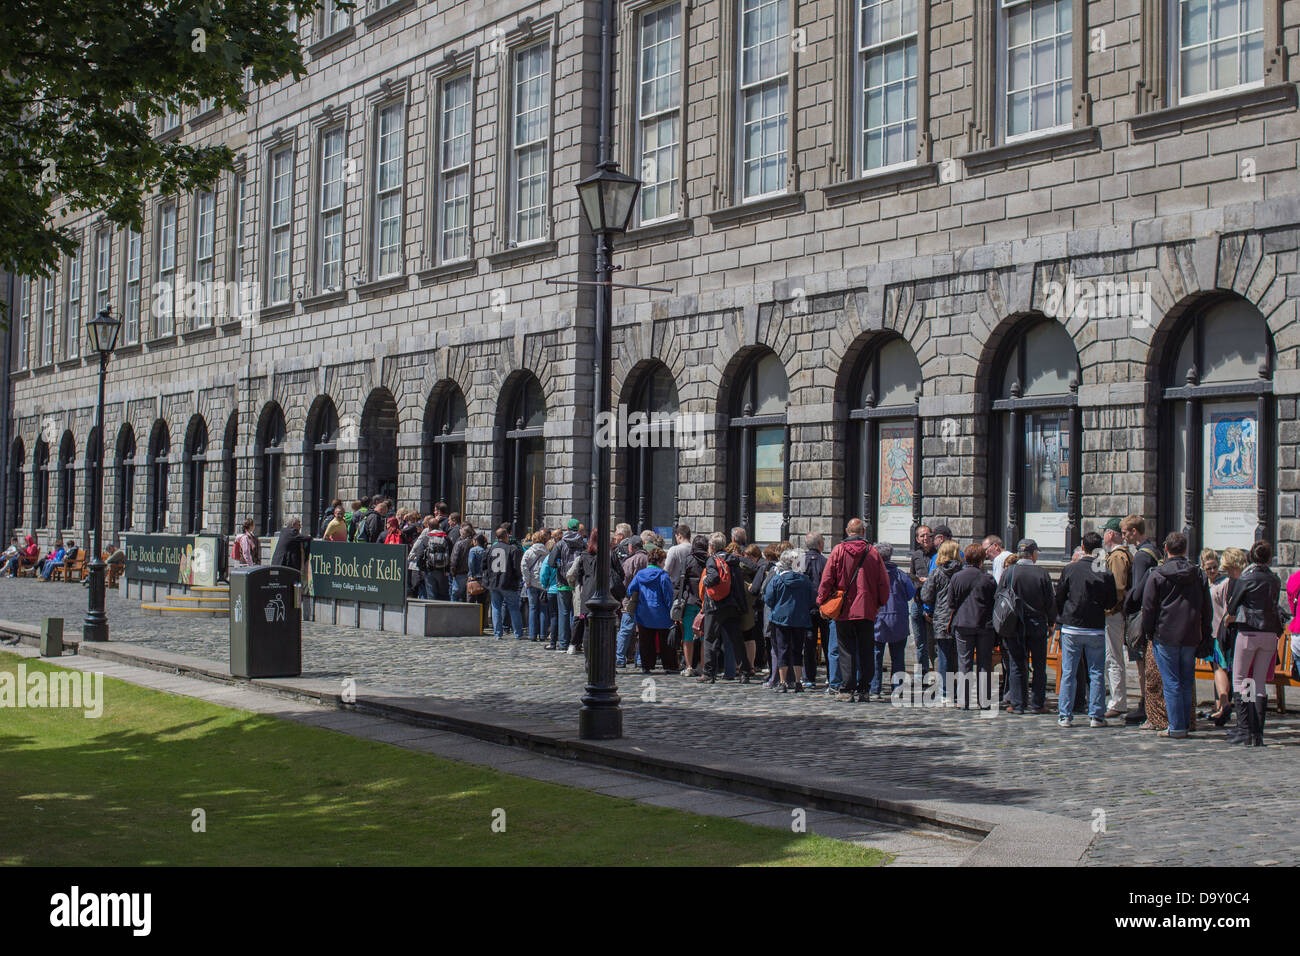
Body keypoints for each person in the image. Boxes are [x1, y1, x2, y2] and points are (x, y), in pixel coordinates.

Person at [1141, 532, 1211, 739]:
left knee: (1171, 681)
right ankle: (1184, 723)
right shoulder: (1198, 574)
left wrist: (1148, 631)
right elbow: (1207, 608)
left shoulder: (1158, 574)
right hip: (1189, 633)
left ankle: (1177, 726)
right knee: (1186, 680)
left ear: (1166, 550)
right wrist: (1205, 631)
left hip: (1165, 633)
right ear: (1185, 550)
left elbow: (1149, 607)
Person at [816, 518, 890, 703]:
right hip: (866, 608)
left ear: (848, 531)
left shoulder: (839, 551)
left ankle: (847, 688)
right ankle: (864, 688)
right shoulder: (872, 552)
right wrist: (881, 601)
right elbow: (883, 581)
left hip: (844, 608)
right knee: (866, 649)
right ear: (863, 532)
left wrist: (821, 601)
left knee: (846, 649)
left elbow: (827, 578)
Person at [1054, 532, 1117, 728]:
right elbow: (1111, 602)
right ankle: (1096, 715)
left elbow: (1059, 596)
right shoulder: (1105, 572)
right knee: (1096, 672)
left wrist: (1060, 618)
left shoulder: (1071, 569)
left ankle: (1065, 715)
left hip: (1072, 626)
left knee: (1069, 672)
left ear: (1083, 547)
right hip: (1095, 627)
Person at [1223, 540, 1282, 746]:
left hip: (1248, 631)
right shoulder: (1274, 579)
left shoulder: (1246, 578)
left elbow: (1232, 605)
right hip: (1269, 632)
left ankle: (1244, 730)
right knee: (1258, 683)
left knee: (1239, 680)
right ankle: (1258, 734)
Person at [1001, 538, 1056, 713]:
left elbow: (1000, 596)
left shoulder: (1009, 572)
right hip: (1037, 623)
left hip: (1014, 624)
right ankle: (1038, 703)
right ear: (1032, 554)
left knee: (1017, 664)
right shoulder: (1042, 573)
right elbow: (1050, 601)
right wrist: (1052, 622)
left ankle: (1018, 704)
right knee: (1039, 665)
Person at [1122, 515, 1163, 725]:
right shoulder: (1155, 551)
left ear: (1134, 532)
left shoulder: (1140, 557)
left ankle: (1146, 703)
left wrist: (1126, 603)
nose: (1124, 537)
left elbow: (1138, 591)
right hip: (1156, 615)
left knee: (1142, 665)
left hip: (1141, 616)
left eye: (1125, 533)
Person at [947, 543, 997, 709]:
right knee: (984, 662)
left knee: (964, 662)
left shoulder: (957, 577)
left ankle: (963, 700)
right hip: (984, 624)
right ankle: (985, 701)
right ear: (982, 560)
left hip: (963, 623)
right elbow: (994, 601)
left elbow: (951, 603)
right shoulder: (988, 578)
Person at [697, 532, 752, 685]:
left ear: (712, 547)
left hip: (715, 605)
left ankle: (709, 673)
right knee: (736, 640)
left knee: (710, 639)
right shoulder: (733, 560)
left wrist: (705, 580)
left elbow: (713, 578)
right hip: (732, 604)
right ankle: (745, 672)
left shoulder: (712, 560)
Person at [764, 548, 814, 692]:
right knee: (798, 650)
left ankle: (783, 682)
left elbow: (768, 598)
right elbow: (811, 599)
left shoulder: (777, 579)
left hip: (780, 619)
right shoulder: (805, 581)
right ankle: (798, 682)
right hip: (800, 619)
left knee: (782, 649)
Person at [869, 542, 915, 699]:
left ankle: (875, 688)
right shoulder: (901, 575)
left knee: (875, 656)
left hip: (878, 620)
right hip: (898, 620)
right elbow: (910, 593)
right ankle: (898, 689)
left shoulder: (872, 576)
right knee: (898, 657)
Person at [1208, 547, 1248, 726]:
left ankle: (1237, 710)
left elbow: (1234, 610)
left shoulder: (1236, 581)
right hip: (1237, 632)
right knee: (1242, 674)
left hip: (1236, 632)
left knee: (1236, 673)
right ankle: (1244, 713)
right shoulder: (1235, 581)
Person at [921, 539, 963, 705]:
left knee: (943, 656)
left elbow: (926, 596)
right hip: (961, 618)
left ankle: (945, 692)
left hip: (942, 619)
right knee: (960, 656)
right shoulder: (963, 571)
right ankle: (960, 691)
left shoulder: (937, 573)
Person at [1100, 518, 1132, 719]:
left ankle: (1118, 701)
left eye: (1105, 532)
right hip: (1113, 613)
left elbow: (1118, 588)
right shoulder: (1114, 555)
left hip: (1114, 614)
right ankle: (1116, 698)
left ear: (1110, 534)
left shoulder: (1118, 556)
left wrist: (1108, 606)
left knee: (1114, 658)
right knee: (1110, 657)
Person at [627, 546, 678, 673]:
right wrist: (670, 610)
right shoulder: (663, 576)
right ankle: (669, 665)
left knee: (645, 641)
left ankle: (646, 665)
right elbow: (668, 595)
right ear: (660, 562)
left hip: (644, 613)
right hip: (662, 614)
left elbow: (630, 590)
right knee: (665, 642)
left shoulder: (640, 574)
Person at [675, 534, 709, 676]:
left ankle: (689, 666)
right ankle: (701, 665)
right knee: (703, 636)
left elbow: (682, 582)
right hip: (705, 603)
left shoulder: (688, 560)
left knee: (688, 635)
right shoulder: (709, 561)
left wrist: (679, 599)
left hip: (689, 601)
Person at [485, 525, 525, 640]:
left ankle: (498, 633)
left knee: (496, 607)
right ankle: (518, 633)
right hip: (507, 582)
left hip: (493, 582)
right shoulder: (512, 549)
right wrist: (517, 578)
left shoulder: (490, 549)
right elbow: (517, 568)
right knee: (513, 607)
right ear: (506, 536)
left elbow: (484, 565)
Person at [801, 533, 829, 689]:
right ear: (819, 544)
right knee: (827, 643)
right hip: (823, 608)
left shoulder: (800, 562)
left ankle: (809, 677)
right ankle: (831, 677)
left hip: (806, 608)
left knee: (809, 644)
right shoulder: (825, 562)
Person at [909, 525, 936, 681]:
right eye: (922, 536)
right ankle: (922, 673)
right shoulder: (916, 555)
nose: (925, 538)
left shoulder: (937, 555)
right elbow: (911, 575)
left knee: (932, 642)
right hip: (918, 602)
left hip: (932, 604)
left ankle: (938, 671)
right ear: (917, 539)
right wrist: (917, 581)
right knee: (920, 642)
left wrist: (929, 581)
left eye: (928, 535)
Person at [616, 536, 648, 667]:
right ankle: (640, 659)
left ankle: (619, 658)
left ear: (632, 547)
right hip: (646, 600)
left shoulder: (630, 561)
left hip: (631, 599)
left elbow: (624, 580)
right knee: (642, 631)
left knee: (625, 629)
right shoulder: (648, 558)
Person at [566, 530, 599, 653]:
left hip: (584, 594)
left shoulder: (583, 557)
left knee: (583, 621)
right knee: (582, 621)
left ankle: (579, 648)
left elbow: (573, 575)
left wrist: (575, 586)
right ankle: (574, 644)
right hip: (590, 594)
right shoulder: (585, 557)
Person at [521, 529, 551, 641]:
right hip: (543, 584)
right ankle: (543, 634)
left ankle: (533, 634)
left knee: (533, 608)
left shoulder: (529, 552)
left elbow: (523, 566)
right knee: (543, 609)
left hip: (531, 584)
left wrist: (527, 580)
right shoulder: (547, 552)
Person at [450, 524, 474, 601]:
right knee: (465, 596)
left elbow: (454, 559)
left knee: (455, 595)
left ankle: (453, 612)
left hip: (460, 573)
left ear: (463, 533)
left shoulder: (459, 543)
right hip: (471, 574)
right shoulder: (474, 543)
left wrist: (453, 572)